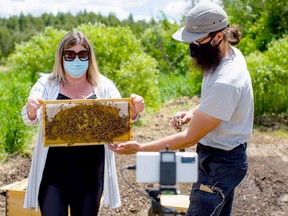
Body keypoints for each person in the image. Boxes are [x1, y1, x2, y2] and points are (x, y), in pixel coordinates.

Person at [109, 2, 254, 216]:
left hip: (221, 164)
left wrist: (138, 148)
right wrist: (193, 112)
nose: (193, 45)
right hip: (222, 157)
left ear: (218, 36)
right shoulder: (226, 55)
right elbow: (215, 102)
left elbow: (188, 138)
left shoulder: (227, 80)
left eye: (198, 39)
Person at [22, 31, 145, 216]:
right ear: (61, 57)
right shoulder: (46, 84)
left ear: (90, 56)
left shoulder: (104, 85)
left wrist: (134, 109)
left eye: (82, 54)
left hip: (91, 175)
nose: (76, 59)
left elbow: (122, 117)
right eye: (70, 54)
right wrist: (31, 110)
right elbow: (31, 117)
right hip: (53, 174)